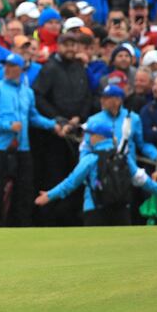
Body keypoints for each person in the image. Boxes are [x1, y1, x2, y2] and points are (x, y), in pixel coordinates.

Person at [0, 53, 63, 226]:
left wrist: (52, 125)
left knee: (24, 190)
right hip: (0, 148)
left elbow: (33, 117)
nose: (8, 69)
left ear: (20, 69)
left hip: (23, 149)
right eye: (6, 66)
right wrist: (8, 125)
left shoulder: (28, 93)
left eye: (12, 66)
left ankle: (22, 226)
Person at [35, 121, 157, 226]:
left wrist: (49, 195)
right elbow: (144, 181)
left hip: (94, 210)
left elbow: (71, 183)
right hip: (122, 210)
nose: (86, 138)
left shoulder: (90, 158)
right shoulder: (124, 157)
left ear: (97, 137)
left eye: (89, 134)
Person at [31, 33, 93, 225]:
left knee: (75, 176)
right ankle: (49, 220)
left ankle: (72, 219)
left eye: (73, 44)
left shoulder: (80, 69)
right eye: (66, 44)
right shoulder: (49, 68)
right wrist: (58, 119)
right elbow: (39, 98)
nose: (70, 48)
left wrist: (78, 118)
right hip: (54, 135)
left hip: (76, 134)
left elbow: (87, 97)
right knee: (53, 176)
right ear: (58, 46)